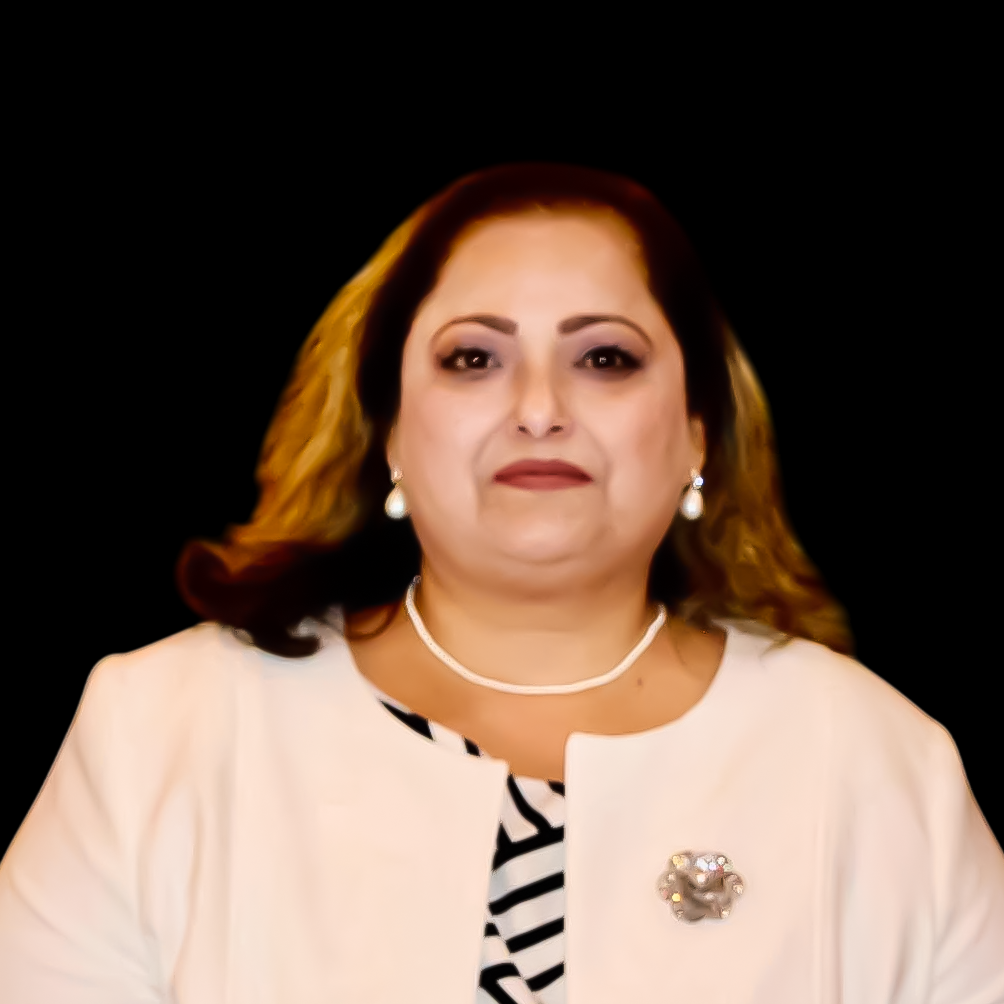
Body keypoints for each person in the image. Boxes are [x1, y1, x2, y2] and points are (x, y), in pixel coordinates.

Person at [0, 163, 1001, 1003]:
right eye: (474, 357)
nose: (538, 408)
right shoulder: (158, 734)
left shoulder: (877, 765)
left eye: (604, 357)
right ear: (390, 432)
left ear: (697, 435)